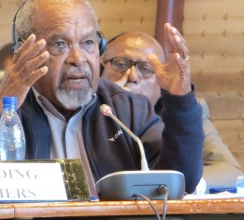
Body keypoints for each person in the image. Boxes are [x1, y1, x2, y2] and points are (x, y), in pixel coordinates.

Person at [0, 0, 204, 195]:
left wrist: (181, 102)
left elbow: (182, 180)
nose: (78, 59)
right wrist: (1, 109)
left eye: (88, 43)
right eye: (60, 44)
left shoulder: (125, 108)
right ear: (24, 52)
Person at [101, 31, 243, 192]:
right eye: (120, 64)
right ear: (101, 69)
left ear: (161, 81)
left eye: (146, 69)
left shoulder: (181, 112)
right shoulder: (88, 108)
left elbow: (230, 171)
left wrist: (188, 183)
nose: (132, 76)